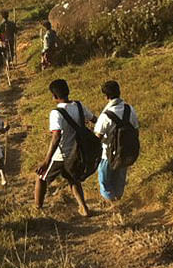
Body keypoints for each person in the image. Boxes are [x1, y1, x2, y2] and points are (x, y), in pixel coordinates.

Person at [34, 78, 95, 216]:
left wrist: (46, 161)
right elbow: (94, 119)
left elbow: (56, 137)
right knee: (73, 179)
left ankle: (37, 208)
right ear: (68, 91)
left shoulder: (56, 113)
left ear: (54, 96)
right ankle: (84, 207)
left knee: (41, 178)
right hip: (77, 152)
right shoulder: (79, 106)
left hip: (61, 154)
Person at [93, 79, 139, 205]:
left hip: (107, 155)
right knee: (120, 181)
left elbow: (98, 137)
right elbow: (136, 129)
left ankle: (113, 204)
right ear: (119, 91)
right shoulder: (130, 109)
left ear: (106, 96)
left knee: (105, 182)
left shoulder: (105, 116)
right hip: (125, 152)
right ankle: (119, 201)